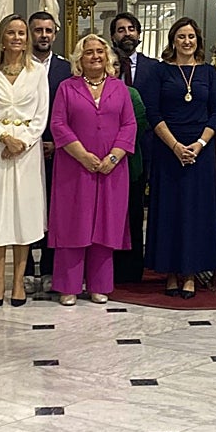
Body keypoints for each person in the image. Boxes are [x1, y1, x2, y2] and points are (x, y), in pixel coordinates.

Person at [49, 34, 137, 305]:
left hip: (112, 169)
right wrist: (83, 155)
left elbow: (130, 125)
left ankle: (100, 285)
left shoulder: (119, 89)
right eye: (89, 52)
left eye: (100, 51)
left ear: (108, 57)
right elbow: (58, 124)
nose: (95, 56)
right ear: (79, 58)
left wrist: (113, 157)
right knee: (72, 225)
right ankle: (68, 286)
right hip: (74, 169)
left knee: (105, 225)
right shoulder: (67, 87)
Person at [0, 14, 49, 308]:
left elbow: (41, 115)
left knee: (23, 215)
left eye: (21, 33)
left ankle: (18, 282)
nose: (17, 38)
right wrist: (4, 138)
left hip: (26, 152)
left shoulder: (37, 71)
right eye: (11, 33)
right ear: (1, 38)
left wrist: (22, 141)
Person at [140, 17, 216, 298]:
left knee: (195, 213)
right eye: (181, 37)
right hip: (168, 150)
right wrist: (175, 146)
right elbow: (153, 112)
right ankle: (171, 271)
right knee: (170, 212)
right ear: (173, 41)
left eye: (191, 37)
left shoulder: (209, 73)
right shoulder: (160, 72)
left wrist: (199, 144)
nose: (187, 42)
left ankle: (190, 273)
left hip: (201, 152)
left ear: (197, 41)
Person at [28, 10, 73, 297]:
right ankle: (26, 271)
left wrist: (57, 143)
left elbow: (71, 112)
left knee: (54, 213)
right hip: (25, 150)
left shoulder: (67, 69)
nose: (43, 35)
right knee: (28, 211)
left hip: (60, 151)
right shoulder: (18, 67)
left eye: (48, 30)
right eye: (38, 30)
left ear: (55, 34)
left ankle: (49, 269)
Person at [112, 54, 150, 284]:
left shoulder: (131, 94)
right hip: (94, 165)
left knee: (132, 218)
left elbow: (140, 125)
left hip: (129, 164)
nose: (112, 68)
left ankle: (130, 271)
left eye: (116, 64)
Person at [111, 11, 157, 89]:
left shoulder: (154, 67)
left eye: (131, 29)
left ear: (138, 35)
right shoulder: (105, 67)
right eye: (121, 30)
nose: (127, 34)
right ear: (113, 37)